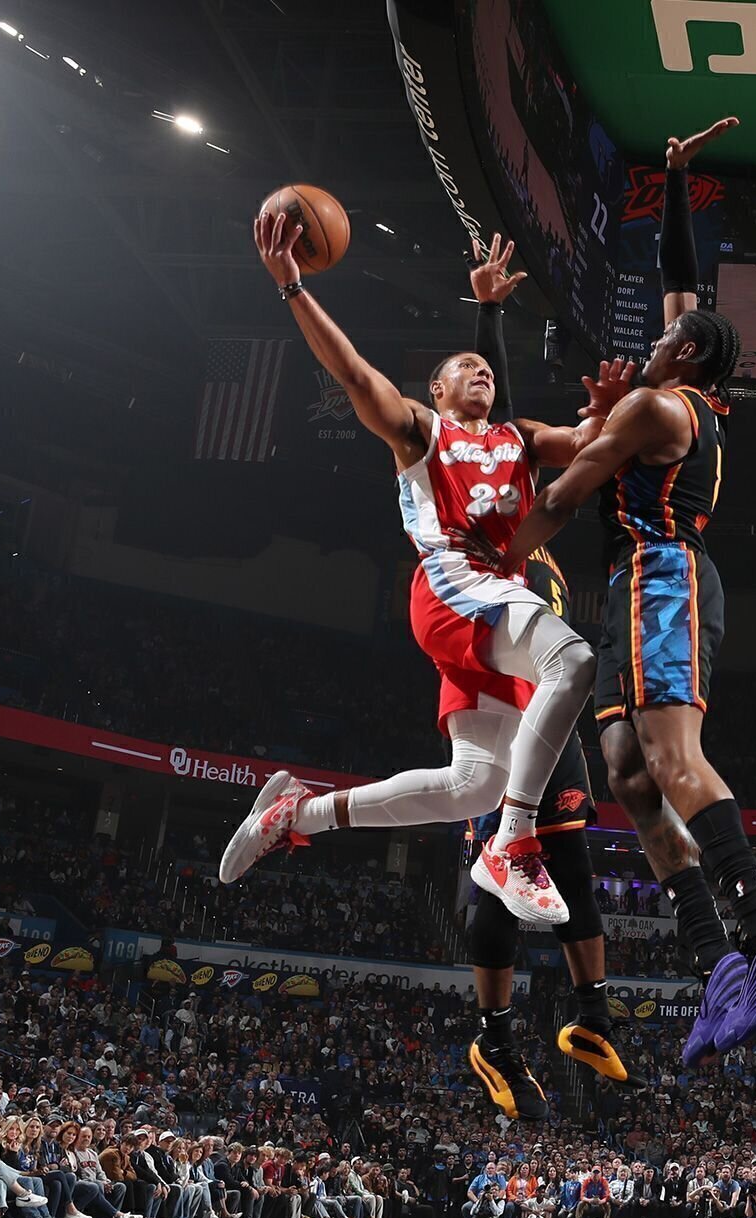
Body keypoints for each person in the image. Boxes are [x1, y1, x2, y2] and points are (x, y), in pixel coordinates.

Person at [493, 115, 756, 1066]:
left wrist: (496, 564)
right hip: (642, 582)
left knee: (675, 764)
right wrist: (677, 181)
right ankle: (713, 954)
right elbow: (685, 288)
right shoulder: (689, 392)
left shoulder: (650, 404)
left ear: (685, 355)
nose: (655, 331)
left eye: (667, 333)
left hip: (661, 577)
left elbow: (561, 492)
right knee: (627, 778)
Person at [225, 224, 614, 935]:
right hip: (456, 590)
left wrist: (610, 411)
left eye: (487, 367)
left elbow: (592, 446)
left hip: (494, 615)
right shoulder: (422, 433)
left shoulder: (519, 437)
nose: (483, 372)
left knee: (473, 787)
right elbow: (351, 373)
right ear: (436, 389)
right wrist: (292, 285)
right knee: (576, 659)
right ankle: (513, 844)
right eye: (466, 368)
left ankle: (296, 813)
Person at [454, 249, 638, 1121]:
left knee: (571, 865)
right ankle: (493, 1030)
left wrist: (606, 425)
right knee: (505, 874)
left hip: (549, 721)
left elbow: (546, 452)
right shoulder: (490, 539)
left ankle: (589, 1014)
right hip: (498, 717)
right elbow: (496, 426)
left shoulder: (543, 551)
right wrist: (489, 323)